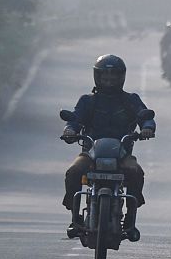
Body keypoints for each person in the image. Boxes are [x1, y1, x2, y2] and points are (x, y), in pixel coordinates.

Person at [62, 54, 155, 239]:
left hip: (122, 154)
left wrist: (147, 129)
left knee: (136, 172)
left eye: (114, 76)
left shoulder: (131, 100)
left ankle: (130, 217)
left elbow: (146, 117)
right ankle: (75, 217)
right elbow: (74, 119)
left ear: (122, 77)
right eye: (105, 76)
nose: (110, 80)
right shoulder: (87, 101)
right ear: (97, 77)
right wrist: (69, 131)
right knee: (73, 171)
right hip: (90, 153)